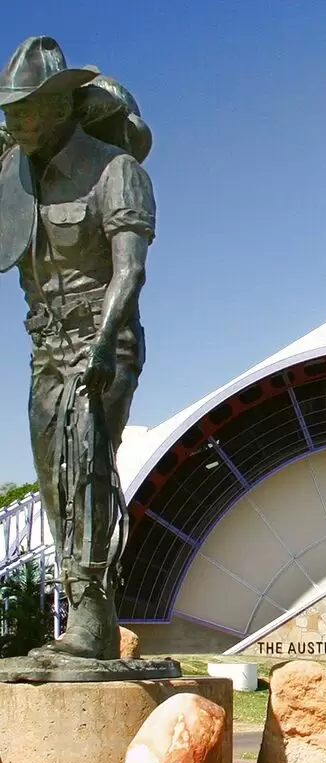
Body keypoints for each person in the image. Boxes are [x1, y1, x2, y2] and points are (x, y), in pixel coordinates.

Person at [0, 35, 155, 660]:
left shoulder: (116, 172)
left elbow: (131, 271)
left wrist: (100, 345)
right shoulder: (13, 175)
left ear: (63, 107)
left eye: (28, 111)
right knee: (52, 477)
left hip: (103, 339)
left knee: (84, 465)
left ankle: (91, 623)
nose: (17, 123)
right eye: (11, 113)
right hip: (47, 344)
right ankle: (80, 615)